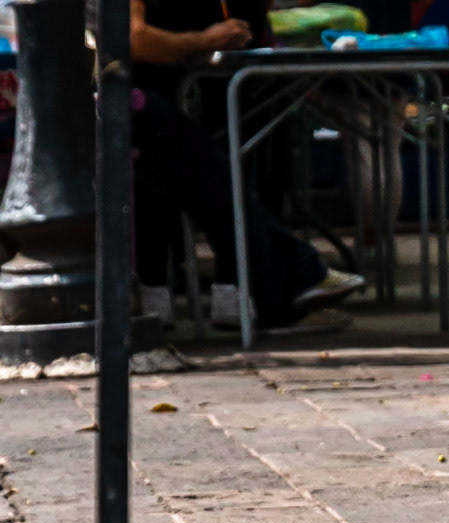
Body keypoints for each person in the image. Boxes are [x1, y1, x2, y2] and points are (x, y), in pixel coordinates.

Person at [127, 0, 363, 331]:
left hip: (169, 92)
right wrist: (205, 40)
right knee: (211, 177)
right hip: (127, 101)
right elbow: (133, 38)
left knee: (211, 172)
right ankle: (292, 278)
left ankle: (244, 288)